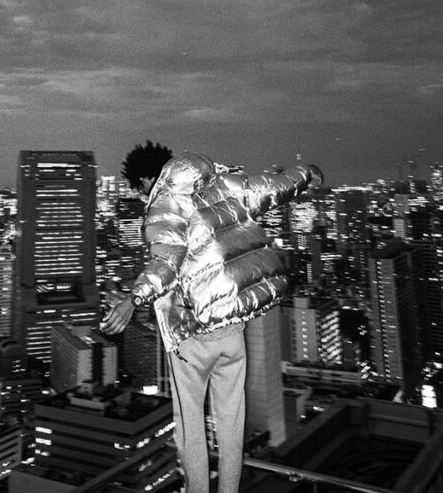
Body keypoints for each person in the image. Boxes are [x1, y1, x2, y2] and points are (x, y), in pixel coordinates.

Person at [100, 143, 324, 493]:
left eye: (140, 190)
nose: (143, 196)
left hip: (193, 333)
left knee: (189, 426)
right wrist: (307, 174)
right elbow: (273, 187)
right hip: (233, 328)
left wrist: (133, 299)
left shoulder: (165, 202)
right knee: (232, 421)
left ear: (146, 179)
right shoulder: (223, 183)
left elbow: (167, 263)